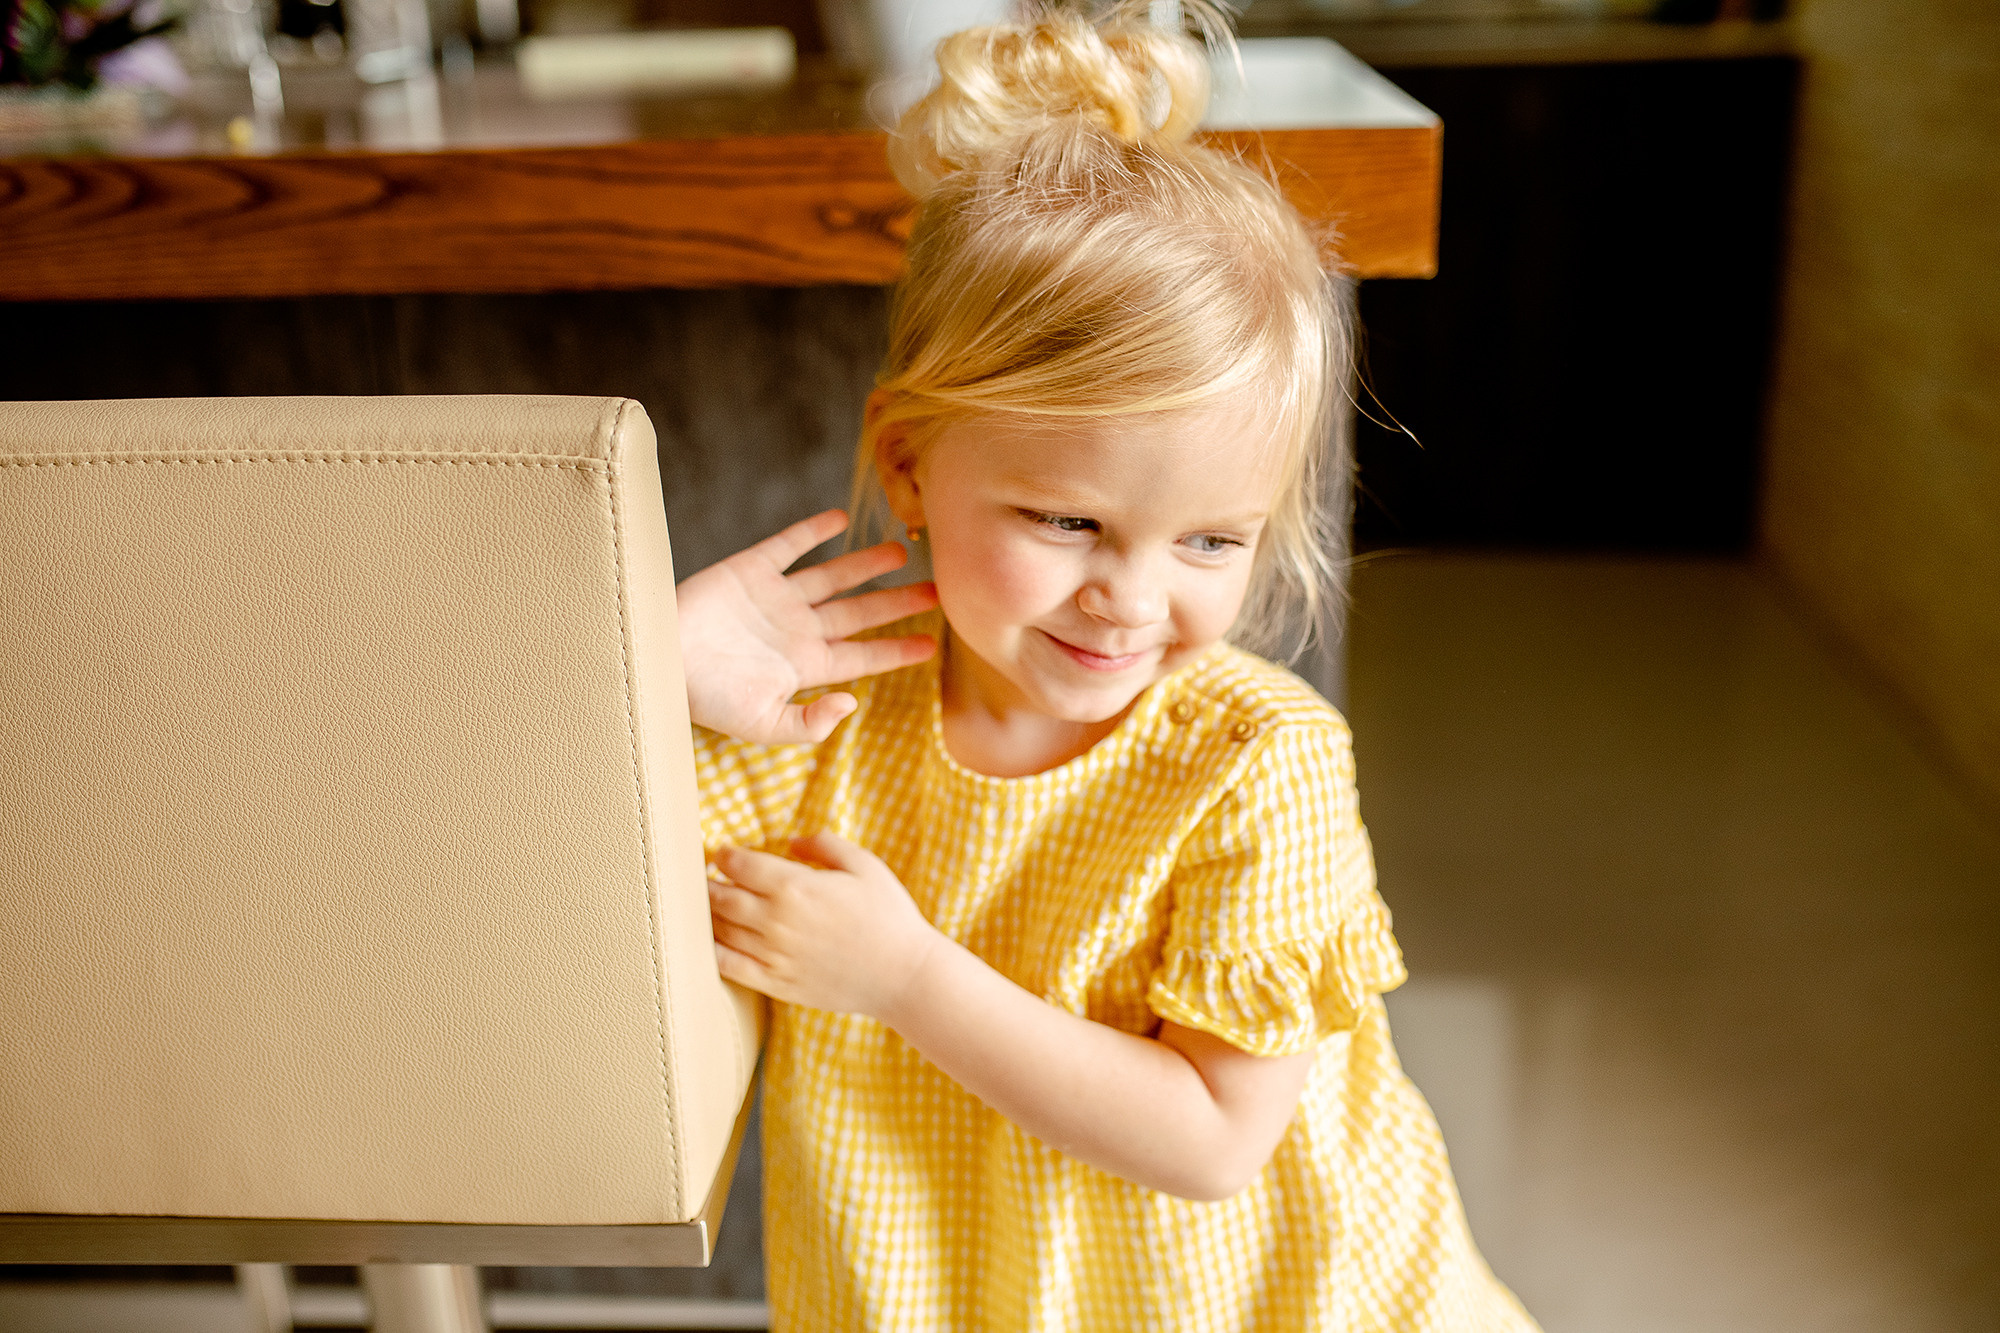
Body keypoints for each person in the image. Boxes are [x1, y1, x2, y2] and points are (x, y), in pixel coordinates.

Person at [675, 4, 1538, 1328]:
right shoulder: (825, 716)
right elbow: (565, 900)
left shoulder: (1259, 763)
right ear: (908, 463)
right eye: (1067, 521)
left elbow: (1215, 1136)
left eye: (1211, 540)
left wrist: (903, 978)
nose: (1130, 599)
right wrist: (649, 672)